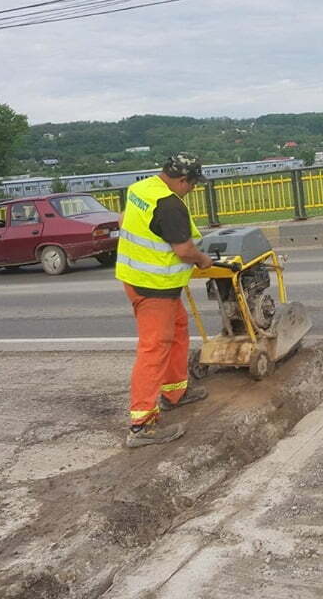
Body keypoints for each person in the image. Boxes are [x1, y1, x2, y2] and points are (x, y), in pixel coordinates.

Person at [116, 153, 214, 448]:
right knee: (154, 348)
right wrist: (202, 260)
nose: (193, 190)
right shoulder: (169, 205)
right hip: (153, 287)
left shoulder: (142, 188)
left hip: (140, 279)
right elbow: (184, 250)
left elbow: (123, 220)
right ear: (183, 180)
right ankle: (141, 425)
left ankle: (174, 392)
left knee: (178, 329)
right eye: (193, 184)